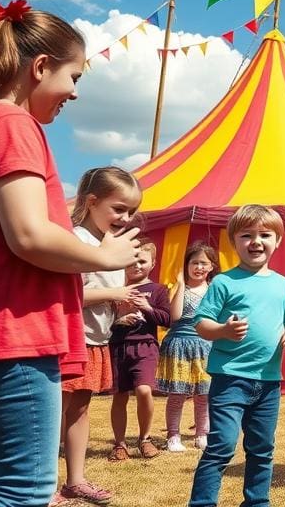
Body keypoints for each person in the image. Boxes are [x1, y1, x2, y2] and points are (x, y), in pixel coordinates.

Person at [0, 1, 140, 507]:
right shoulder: (12, 125)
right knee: (24, 491)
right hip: (16, 333)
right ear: (41, 67)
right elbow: (28, 235)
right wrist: (106, 256)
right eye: (73, 75)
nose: (74, 91)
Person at [188, 205, 285, 507]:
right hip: (230, 378)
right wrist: (223, 330)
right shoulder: (224, 282)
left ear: (277, 240)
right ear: (234, 242)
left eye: (265, 235)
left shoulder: (283, 284)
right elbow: (201, 323)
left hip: (268, 382)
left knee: (262, 447)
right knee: (222, 445)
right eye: (247, 235)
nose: (256, 241)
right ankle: (202, 502)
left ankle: (257, 502)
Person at [60, 166, 145, 505]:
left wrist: (121, 311)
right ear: (92, 202)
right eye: (119, 209)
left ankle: (75, 480)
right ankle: (45, 483)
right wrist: (117, 296)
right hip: (71, 339)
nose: (126, 217)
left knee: (80, 410)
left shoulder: (110, 246)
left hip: (94, 341)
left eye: (132, 211)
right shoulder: (77, 241)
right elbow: (72, 294)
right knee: (58, 410)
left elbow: (102, 295)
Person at [107, 239, 170, 461]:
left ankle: (145, 439)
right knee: (119, 395)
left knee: (144, 390)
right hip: (118, 347)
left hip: (145, 346)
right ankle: (119, 444)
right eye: (132, 261)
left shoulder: (158, 290)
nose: (137, 265)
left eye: (142, 261)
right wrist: (119, 320)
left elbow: (167, 319)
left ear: (152, 263)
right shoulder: (116, 291)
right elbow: (104, 321)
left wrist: (147, 308)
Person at [156, 240, 218, 453]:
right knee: (178, 394)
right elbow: (175, 316)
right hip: (180, 345)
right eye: (194, 262)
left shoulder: (213, 290)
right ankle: (173, 435)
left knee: (204, 394)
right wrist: (181, 284)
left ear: (211, 267)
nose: (199, 267)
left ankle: (202, 434)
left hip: (205, 346)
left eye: (204, 263)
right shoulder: (179, 288)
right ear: (186, 265)